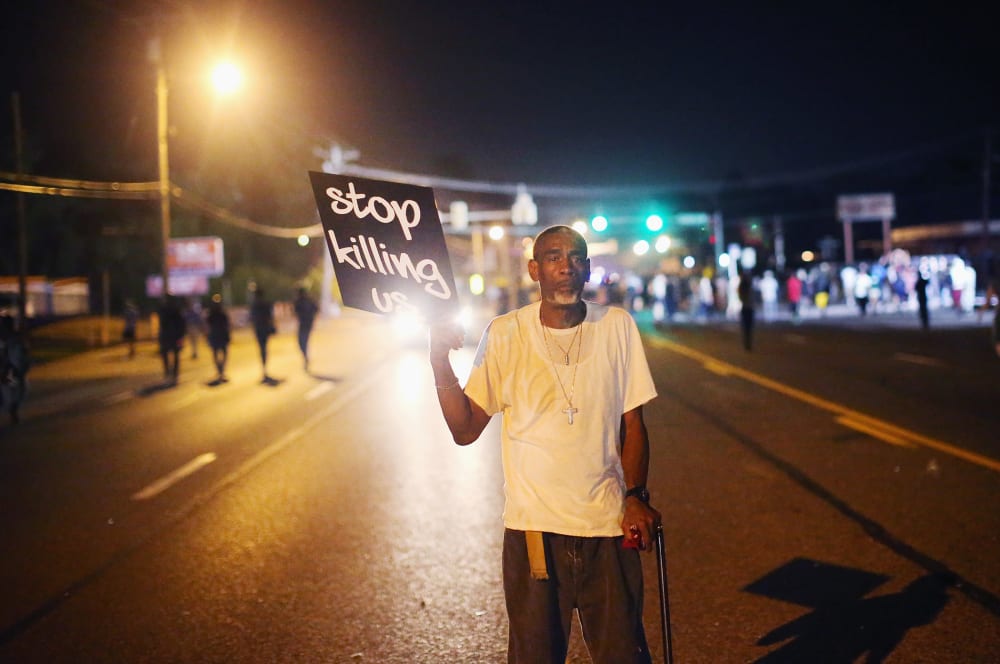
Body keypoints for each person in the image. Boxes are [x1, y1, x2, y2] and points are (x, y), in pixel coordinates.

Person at [429, 225, 660, 663]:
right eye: (553, 257)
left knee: (623, 656)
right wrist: (438, 359)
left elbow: (635, 425)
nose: (565, 267)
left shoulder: (617, 327)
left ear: (588, 268)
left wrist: (635, 496)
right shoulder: (504, 334)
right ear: (534, 268)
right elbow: (465, 430)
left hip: (606, 530)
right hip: (533, 533)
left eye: (575, 258)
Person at [0, 315, 30, 425]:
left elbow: (23, 354)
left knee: (17, 391)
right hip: (10, 370)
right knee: (12, 390)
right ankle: (13, 409)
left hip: (13, 369)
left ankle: (13, 408)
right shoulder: (9, 339)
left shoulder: (16, 338)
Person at [157, 296, 186, 384]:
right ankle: (173, 375)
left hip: (168, 337)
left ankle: (169, 374)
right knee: (174, 356)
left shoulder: (164, 310)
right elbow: (182, 324)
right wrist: (181, 336)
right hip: (173, 337)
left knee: (167, 356)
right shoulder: (176, 310)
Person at [250, 287, 276, 383]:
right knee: (264, 349)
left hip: (260, 330)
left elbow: (251, 318)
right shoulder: (266, 304)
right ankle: (264, 368)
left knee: (262, 349)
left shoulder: (254, 305)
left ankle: (264, 368)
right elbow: (271, 318)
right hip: (264, 330)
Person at [205, 297, 231, 383]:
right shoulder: (221, 314)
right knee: (222, 353)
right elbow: (227, 326)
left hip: (216, 336)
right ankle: (221, 371)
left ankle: (220, 371)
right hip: (220, 336)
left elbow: (207, 327)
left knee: (217, 354)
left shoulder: (213, 314)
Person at [293, 287, 319, 370]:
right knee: (303, 342)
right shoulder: (308, 301)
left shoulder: (300, 301)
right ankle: (306, 357)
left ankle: (305, 358)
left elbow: (295, 311)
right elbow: (316, 309)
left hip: (305, 324)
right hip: (307, 324)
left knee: (302, 342)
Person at [737, 268, 755, 351]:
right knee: (748, 327)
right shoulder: (745, 286)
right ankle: (747, 344)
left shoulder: (745, 285)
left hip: (747, 307)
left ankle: (747, 343)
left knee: (747, 327)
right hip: (748, 307)